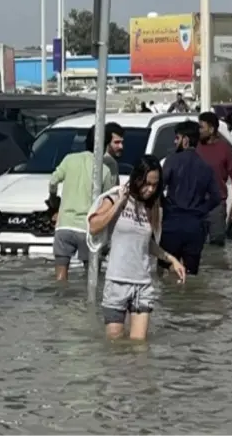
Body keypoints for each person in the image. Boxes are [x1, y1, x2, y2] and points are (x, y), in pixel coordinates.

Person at [88, 155, 187, 341]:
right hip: (116, 283)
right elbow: (94, 226)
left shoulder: (152, 208)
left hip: (143, 285)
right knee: (115, 345)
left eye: (155, 185)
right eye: (146, 183)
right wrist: (119, 204)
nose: (150, 189)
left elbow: (146, 244)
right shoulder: (114, 197)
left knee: (139, 347)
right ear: (136, 178)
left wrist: (171, 259)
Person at [48, 124, 121, 281]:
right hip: (87, 230)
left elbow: (53, 181)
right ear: (107, 144)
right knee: (91, 279)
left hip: (64, 226)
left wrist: (54, 200)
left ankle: (60, 303)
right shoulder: (105, 170)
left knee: (60, 278)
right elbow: (109, 200)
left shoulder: (69, 159)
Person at [158, 121, 221, 275]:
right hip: (195, 227)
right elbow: (216, 197)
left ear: (185, 140)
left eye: (177, 138)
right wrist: (200, 210)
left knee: (165, 272)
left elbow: (158, 188)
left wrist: (165, 205)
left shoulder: (172, 160)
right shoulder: (206, 166)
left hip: (172, 224)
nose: (174, 141)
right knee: (191, 275)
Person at [197, 111, 232, 245]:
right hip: (197, 205)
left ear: (211, 129)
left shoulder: (224, 149)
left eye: (201, 127)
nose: (199, 131)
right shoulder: (196, 147)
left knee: (217, 249)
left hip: (217, 205)